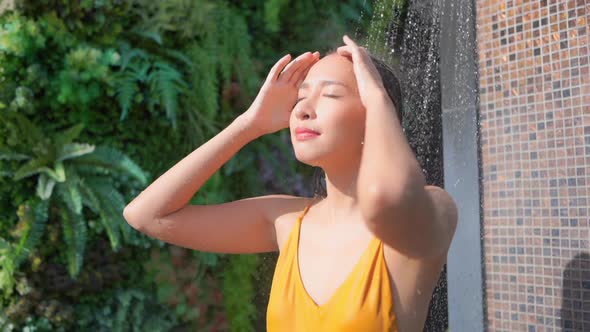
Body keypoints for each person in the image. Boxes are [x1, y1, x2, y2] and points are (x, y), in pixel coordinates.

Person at [123, 35, 458, 332]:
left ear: (374, 113)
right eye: (300, 98)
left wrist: (379, 99)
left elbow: (387, 198)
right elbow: (147, 215)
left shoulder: (433, 209)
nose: (302, 110)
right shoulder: (285, 222)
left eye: (330, 94)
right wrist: (249, 124)